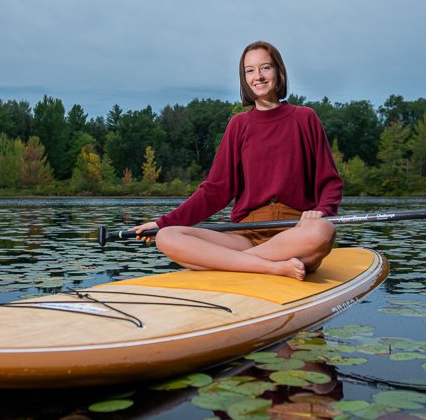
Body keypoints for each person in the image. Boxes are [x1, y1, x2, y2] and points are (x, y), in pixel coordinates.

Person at [133, 41, 342, 280]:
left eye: (265, 68)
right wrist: (163, 222)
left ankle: (236, 264)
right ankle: (271, 267)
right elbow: (215, 190)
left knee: (322, 231)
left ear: (279, 72)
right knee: (167, 237)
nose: (258, 77)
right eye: (250, 70)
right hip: (245, 235)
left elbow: (330, 181)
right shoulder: (239, 125)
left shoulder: (305, 118)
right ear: (244, 78)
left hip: (294, 233)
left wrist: (322, 211)